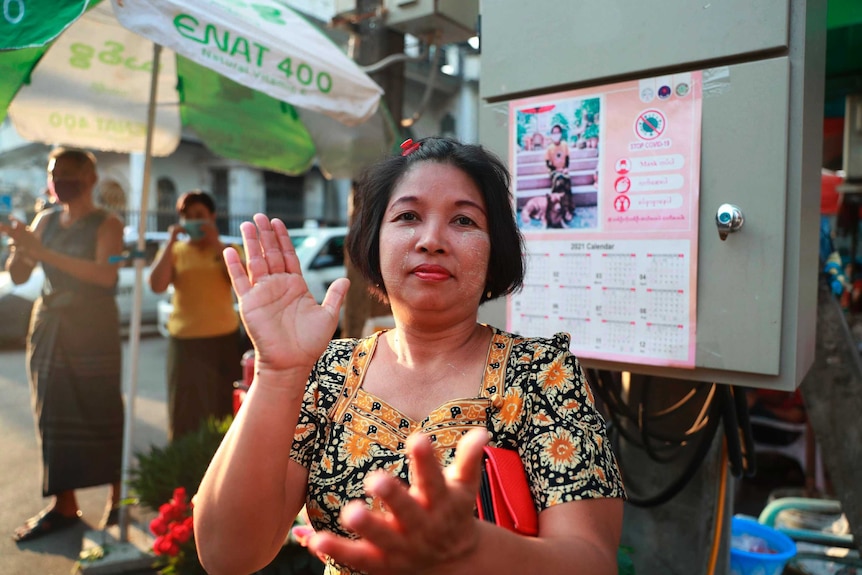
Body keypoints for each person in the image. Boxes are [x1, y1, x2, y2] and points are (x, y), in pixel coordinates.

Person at [194, 137, 625, 575]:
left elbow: (591, 561)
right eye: (408, 216)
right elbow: (226, 555)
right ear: (374, 240)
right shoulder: (328, 370)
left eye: (463, 220)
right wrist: (278, 371)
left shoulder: (543, 373)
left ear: (495, 247)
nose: (432, 240)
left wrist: (478, 554)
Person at [1, 148, 125, 541]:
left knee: (101, 407)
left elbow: (106, 277)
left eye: (70, 172)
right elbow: (20, 275)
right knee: (52, 414)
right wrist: (19, 247)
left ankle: (118, 497)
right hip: (50, 326)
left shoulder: (109, 224)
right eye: (55, 173)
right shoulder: (46, 219)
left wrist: (43, 251)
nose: (61, 180)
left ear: (90, 177)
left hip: (93, 328)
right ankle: (64, 503)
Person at [148, 190, 243, 442]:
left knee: (223, 409)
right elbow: (156, 285)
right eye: (187, 216)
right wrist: (170, 242)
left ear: (212, 216)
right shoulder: (176, 251)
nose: (193, 221)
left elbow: (241, 285)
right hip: (185, 344)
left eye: (199, 215)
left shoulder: (229, 250)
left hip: (223, 342)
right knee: (186, 412)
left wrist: (216, 245)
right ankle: (185, 473)